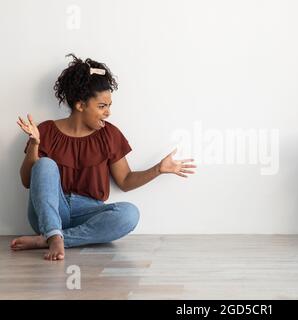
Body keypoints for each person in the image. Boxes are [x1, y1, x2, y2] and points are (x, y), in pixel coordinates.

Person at [11, 54, 196, 261]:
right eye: (102, 106)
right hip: (50, 211)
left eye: (109, 105)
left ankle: (51, 239)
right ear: (80, 105)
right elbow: (27, 181)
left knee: (129, 214)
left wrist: (158, 169)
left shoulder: (110, 134)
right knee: (44, 164)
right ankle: (52, 232)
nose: (108, 112)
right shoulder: (45, 130)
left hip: (87, 211)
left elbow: (124, 181)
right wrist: (35, 146)